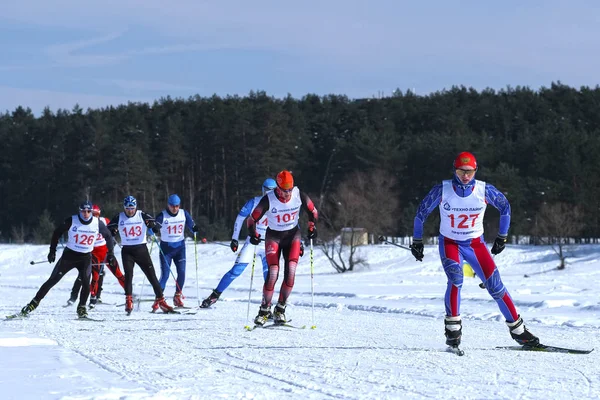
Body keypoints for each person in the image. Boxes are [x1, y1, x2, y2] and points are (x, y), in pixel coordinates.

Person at [409, 151, 539, 348]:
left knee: (495, 285)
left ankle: (519, 331)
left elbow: (505, 207)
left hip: (475, 245)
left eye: (469, 172)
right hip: (450, 243)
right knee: (456, 279)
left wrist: (502, 237)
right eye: (461, 171)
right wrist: (417, 241)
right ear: (455, 170)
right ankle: (453, 329)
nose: (465, 176)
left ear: (475, 170)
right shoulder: (442, 190)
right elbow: (421, 213)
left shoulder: (484, 190)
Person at [18, 201, 115, 319]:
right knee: (53, 280)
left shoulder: (97, 223)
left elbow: (108, 236)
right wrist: (52, 251)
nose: (86, 214)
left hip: (85, 258)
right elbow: (57, 232)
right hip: (69, 256)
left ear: (91, 212)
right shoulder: (72, 220)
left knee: (86, 284)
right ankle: (32, 304)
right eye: (83, 211)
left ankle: (82, 308)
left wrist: (110, 254)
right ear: (79, 211)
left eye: (88, 211)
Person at [247, 170, 318, 326]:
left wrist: (312, 227)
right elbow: (252, 219)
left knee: (291, 272)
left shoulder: (299, 195)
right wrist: (253, 234)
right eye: (284, 190)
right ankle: (264, 310)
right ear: (277, 187)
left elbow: (313, 211)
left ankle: (280, 309)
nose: (287, 193)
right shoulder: (268, 199)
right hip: (274, 237)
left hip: (293, 236)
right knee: (273, 272)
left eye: (289, 189)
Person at [200, 178, 277, 309]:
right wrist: (235, 238)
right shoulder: (254, 202)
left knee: (269, 276)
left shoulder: (280, 204)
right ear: (262, 190)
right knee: (236, 271)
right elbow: (240, 218)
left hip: (270, 244)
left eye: (272, 191)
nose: (268, 194)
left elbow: (291, 221)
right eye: (266, 191)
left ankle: (266, 306)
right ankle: (214, 296)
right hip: (253, 242)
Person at [106, 195, 174, 315]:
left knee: (151, 276)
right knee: (129, 276)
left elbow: (156, 224)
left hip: (141, 249)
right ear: (124, 208)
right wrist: (113, 230)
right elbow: (108, 230)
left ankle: (161, 301)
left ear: (136, 207)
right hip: (127, 251)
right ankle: (128, 300)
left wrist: (154, 226)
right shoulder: (119, 217)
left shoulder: (141, 215)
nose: (130, 211)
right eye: (127, 208)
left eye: (132, 208)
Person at [67, 203, 126, 308]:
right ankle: (92, 297)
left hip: (106, 252)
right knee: (94, 276)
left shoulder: (104, 221)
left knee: (118, 273)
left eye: (96, 214)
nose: (94, 217)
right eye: (93, 214)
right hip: (94, 253)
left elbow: (112, 231)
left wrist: (114, 231)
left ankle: (129, 293)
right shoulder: (86, 223)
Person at [155, 194, 198, 308]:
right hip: (166, 250)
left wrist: (194, 228)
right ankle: (158, 298)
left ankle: (177, 297)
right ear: (168, 205)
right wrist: (154, 228)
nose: (174, 208)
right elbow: (155, 225)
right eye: (172, 206)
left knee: (182, 272)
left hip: (180, 248)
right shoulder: (162, 215)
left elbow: (191, 224)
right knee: (165, 275)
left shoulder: (183, 213)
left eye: (177, 206)